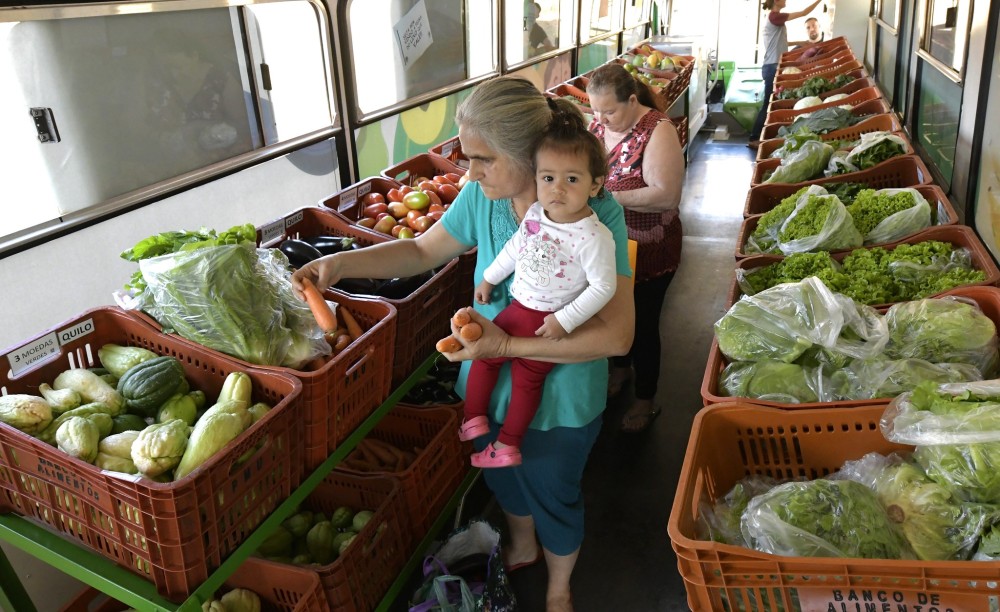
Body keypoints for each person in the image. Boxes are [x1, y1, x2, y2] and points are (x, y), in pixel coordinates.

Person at [292, 76, 634, 612]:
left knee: (555, 492)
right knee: (499, 473)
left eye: (482, 159)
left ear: (527, 154)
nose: (469, 172)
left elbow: (617, 335)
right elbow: (419, 251)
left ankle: (560, 586)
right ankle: (521, 540)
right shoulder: (481, 197)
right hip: (484, 378)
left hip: (560, 390)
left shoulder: (595, 215)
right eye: (467, 158)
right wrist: (339, 265)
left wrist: (506, 350)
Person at [461, 110, 617, 469]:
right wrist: (489, 278)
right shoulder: (535, 215)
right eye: (548, 177)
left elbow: (603, 286)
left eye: (572, 179)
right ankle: (474, 418)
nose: (557, 189)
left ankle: (508, 444)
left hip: (550, 322)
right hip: (517, 309)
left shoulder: (594, 235)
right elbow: (514, 250)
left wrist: (565, 320)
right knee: (486, 357)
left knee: (526, 382)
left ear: (595, 185)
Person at [586, 63, 684, 433]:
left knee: (642, 324)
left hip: (650, 251)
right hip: (608, 249)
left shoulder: (658, 130)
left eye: (610, 111)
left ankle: (646, 399)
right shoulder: (597, 128)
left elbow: (665, 195)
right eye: (595, 111)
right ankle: (621, 371)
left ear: (632, 100)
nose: (602, 119)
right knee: (614, 315)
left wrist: (604, 196)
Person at [748, 0, 824, 148]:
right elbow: (803, 13)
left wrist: (801, 42)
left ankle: (763, 137)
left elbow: (781, 42)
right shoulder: (775, 17)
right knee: (768, 104)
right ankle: (754, 138)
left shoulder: (773, 19)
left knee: (772, 104)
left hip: (771, 65)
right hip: (772, 66)